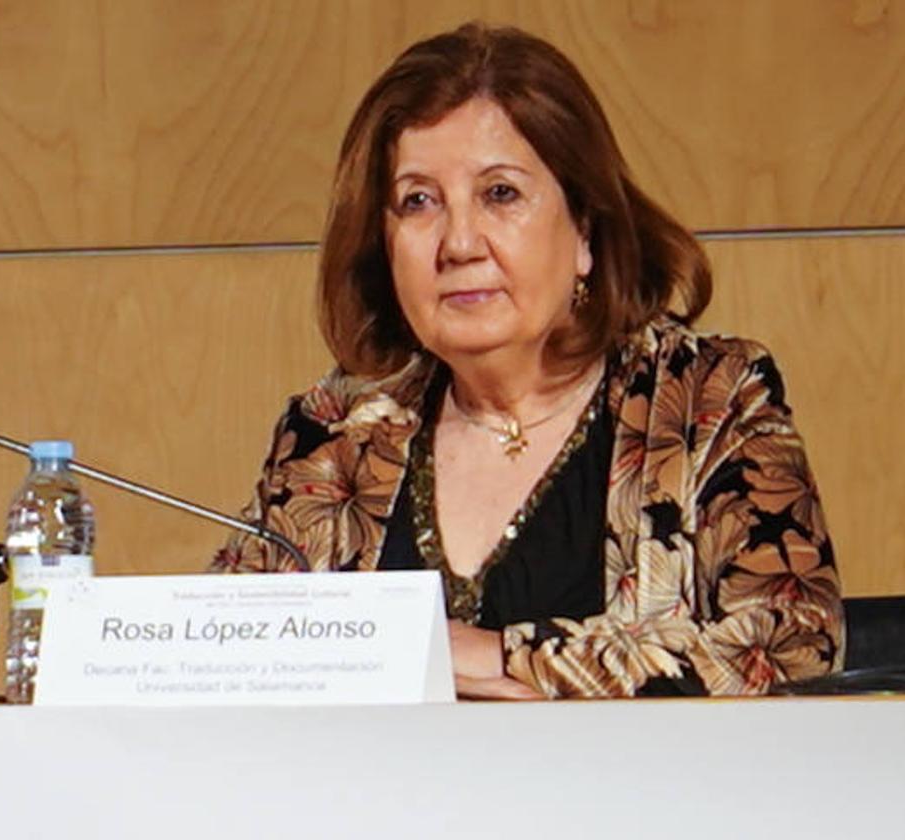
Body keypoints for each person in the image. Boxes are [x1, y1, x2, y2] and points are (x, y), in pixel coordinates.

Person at [213, 22, 843, 699]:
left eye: (500, 194)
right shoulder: (336, 432)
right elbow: (228, 655)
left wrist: (498, 658)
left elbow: (792, 640)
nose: (458, 242)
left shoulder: (707, 400)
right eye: (418, 201)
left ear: (585, 232)